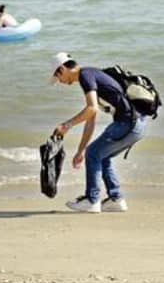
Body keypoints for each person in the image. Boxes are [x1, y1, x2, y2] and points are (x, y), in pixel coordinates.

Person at [50, 52, 146, 213]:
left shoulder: (86, 75)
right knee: (101, 155)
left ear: (61, 69)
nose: (59, 82)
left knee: (94, 153)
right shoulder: (90, 75)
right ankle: (116, 199)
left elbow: (91, 108)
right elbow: (91, 119)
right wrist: (81, 151)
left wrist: (66, 125)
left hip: (128, 123)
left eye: (58, 78)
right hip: (137, 125)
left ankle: (92, 200)